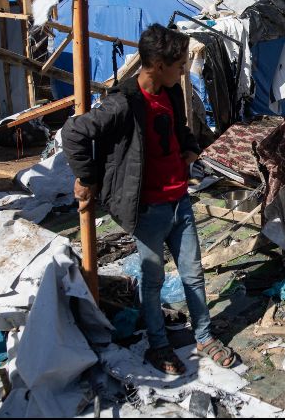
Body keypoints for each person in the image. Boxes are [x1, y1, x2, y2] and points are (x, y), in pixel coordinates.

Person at [62, 23, 236, 375]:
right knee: (152, 279)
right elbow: (74, 133)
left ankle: (204, 336)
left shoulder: (171, 92)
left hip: (179, 202)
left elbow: (181, 130)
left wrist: (189, 149)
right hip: (149, 209)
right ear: (158, 65)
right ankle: (158, 345)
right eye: (180, 64)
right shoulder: (124, 103)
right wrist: (88, 177)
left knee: (194, 274)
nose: (185, 69)